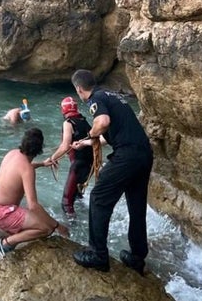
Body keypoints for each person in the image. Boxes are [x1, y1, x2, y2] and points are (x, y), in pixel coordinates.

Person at [69, 69, 153, 275]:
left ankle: (97, 254)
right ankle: (137, 256)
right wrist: (87, 143)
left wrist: (90, 132)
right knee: (136, 205)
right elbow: (112, 133)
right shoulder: (111, 95)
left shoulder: (95, 99)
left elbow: (103, 122)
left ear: (79, 89)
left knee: (98, 198)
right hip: (143, 154)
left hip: (127, 156)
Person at [0, 127, 69, 258]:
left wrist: (42, 164)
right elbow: (33, 205)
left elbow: (18, 169)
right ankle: (5, 244)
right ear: (39, 149)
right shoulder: (27, 170)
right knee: (45, 228)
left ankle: (11, 235)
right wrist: (57, 225)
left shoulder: (13, 153)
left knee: (36, 222)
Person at [44, 97, 93, 216]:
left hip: (78, 165)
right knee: (77, 196)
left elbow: (65, 146)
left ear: (63, 110)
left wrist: (53, 158)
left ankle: (74, 229)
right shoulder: (84, 120)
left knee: (66, 203)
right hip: (89, 164)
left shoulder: (68, 123)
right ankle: (87, 216)